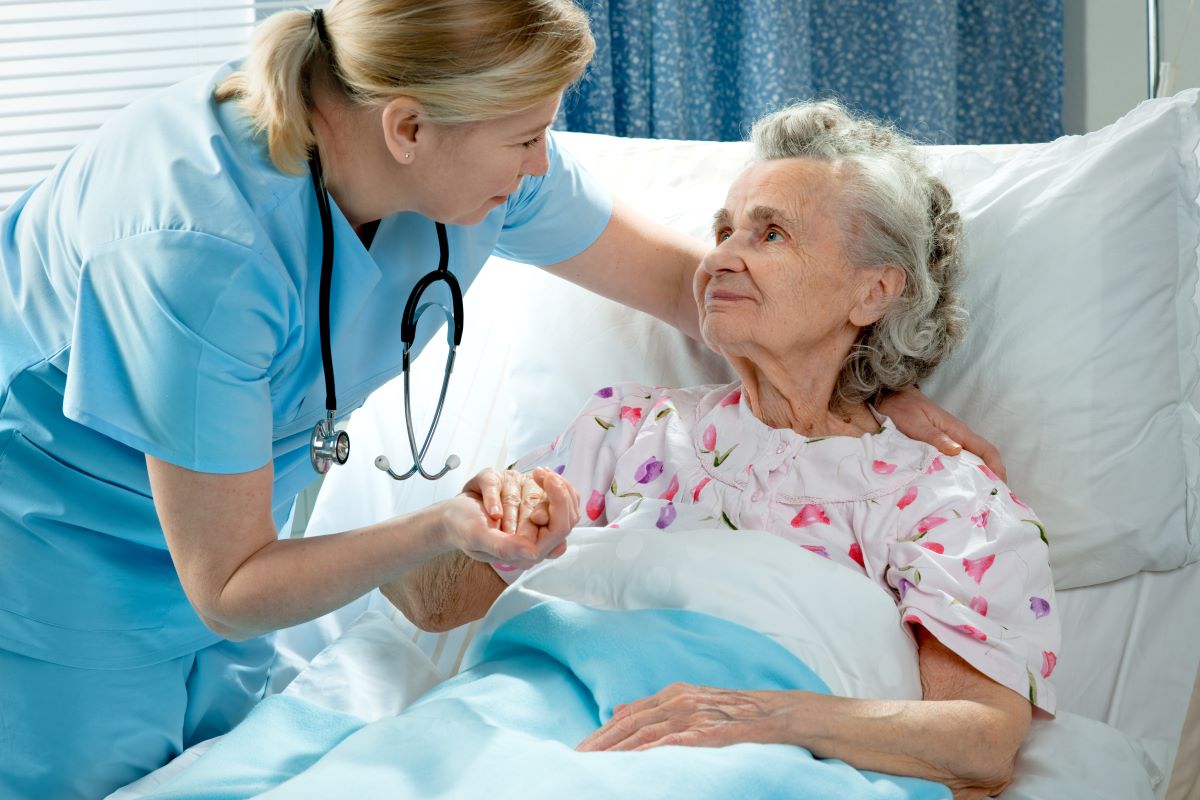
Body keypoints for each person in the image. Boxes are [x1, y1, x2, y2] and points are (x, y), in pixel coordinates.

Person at [0, 3, 1001, 798]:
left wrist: (881, 381)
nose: (542, 164)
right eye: (527, 138)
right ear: (408, 129)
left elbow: (681, 284)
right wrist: (455, 526)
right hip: (52, 532)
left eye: (772, 235)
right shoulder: (194, 244)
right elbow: (339, 592)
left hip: (247, 533)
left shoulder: (944, 497)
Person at [392, 100, 1059, 800]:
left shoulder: (949, 500)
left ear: (875, 291)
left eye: (770, 234)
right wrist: (473, 527)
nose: (718, 258)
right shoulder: (622, 430)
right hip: (526, 735)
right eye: (722, 230)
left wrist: (763, 717)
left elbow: (981, 743)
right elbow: (427, 605)